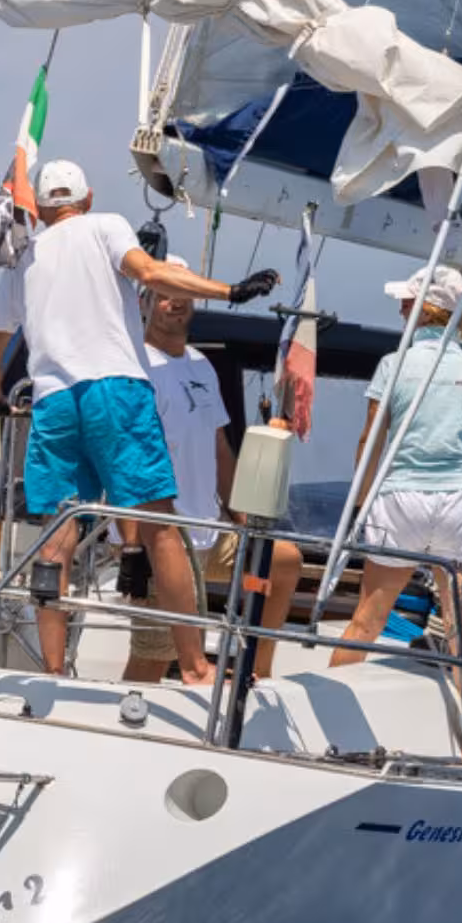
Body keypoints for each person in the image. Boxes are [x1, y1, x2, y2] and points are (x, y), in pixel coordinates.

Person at [0, 160, 279, 678]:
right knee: (161, 526)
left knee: (56, 535)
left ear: (42, 210)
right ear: (87, 199)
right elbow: (151, 274)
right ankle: (194, 666)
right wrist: (232, 292)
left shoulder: (21, 258)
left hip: (53, 401)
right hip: (116, 389)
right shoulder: (106, 225)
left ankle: (51, 672)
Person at [329, 266, 462, 740]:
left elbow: (371, 441)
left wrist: (362, 507)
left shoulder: (393, 364)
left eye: (406, 301)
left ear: (422, 309)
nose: (400, 308)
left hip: (401, 498)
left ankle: (335, 729)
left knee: (366, 620)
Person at [119, 256, 304, 683]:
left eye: (183, 295)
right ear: (145, 301)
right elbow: (124, 460)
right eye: (165, 295)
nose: (174, 304)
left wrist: (244, 523)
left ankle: (258, 672)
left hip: (210, 531)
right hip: (159, 537)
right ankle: (123, 729)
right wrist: (131, 546)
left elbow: (220, 449)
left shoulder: (202, 365)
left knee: (282, 560)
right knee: (153, 655)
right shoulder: (134, 367)